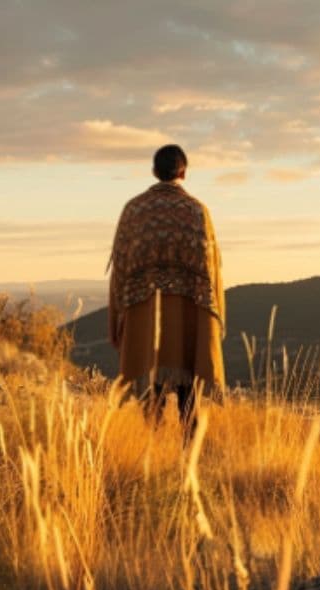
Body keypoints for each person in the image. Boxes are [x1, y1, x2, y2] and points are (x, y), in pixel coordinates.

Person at [107, 145, 225, 431]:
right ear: (183, 173)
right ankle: (189, 451)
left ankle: (153, 448)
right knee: (189, 395)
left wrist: (118, 317)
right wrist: (214, 318)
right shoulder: (198, 211)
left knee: (150, 394)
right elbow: (213, 270)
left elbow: (119, 266)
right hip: (187, 315)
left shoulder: (134, 210)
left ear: (154, 171)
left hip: (144, 313)